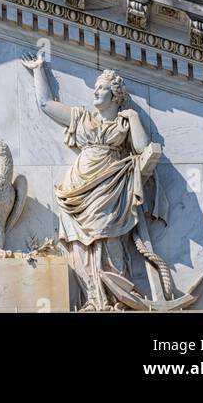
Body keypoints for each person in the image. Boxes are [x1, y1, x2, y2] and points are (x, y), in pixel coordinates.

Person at [22, 47, 171, 311]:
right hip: (77, 188)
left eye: (101, 88)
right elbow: (46, 104)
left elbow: (143, 148)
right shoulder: (81, 118)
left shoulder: (123, 123)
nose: (95, 92)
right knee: (78, 244)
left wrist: (134, 117)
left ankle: (116, 300)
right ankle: (92, 298)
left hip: (110, 187)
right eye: (95, 88)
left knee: (109, 237)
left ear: (115, 96)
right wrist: (38, 70)